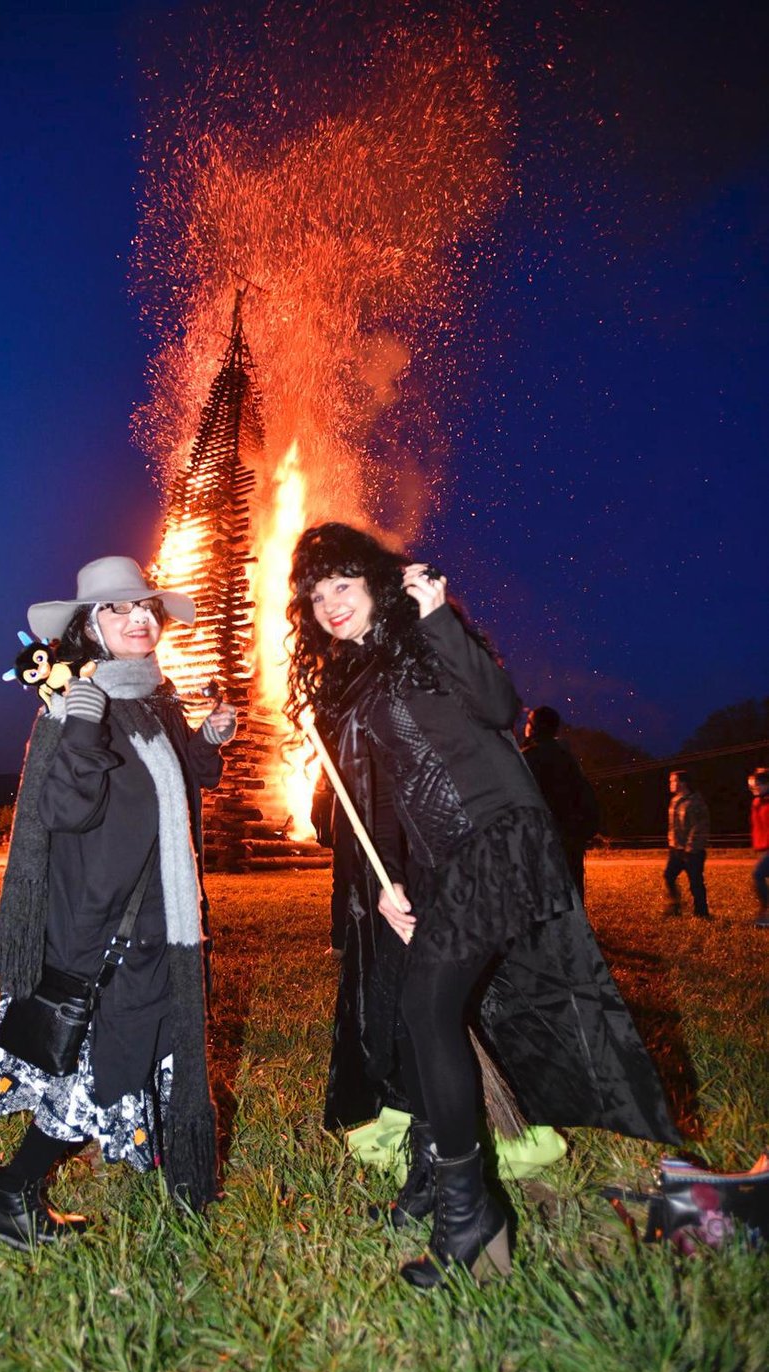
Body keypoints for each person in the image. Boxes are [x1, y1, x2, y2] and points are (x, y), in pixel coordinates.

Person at [286, 523, 678, 1290]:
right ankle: (433, 1183)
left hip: (498, 841)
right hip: (439, 864)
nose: (331, 603)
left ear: (376, 582)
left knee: (430, 1010)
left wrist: (439, 614)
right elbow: (383, 801)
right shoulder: (357, 675)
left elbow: (500, 705)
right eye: (316, 594)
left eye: (344, 585)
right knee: (416, 1011)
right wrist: (389, 885)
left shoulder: (425, 638)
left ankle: (471, 1218)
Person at [0, 556, 237, 1250]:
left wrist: (208, 738)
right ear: (90, 627)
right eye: (118, 610)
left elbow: (177, 785)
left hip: (153, 917)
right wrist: (84, 729)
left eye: (145, 607)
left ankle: (22, 1198)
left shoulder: (155, 702)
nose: (138, 618)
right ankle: (12, 1195)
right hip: (106, 924)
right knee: (104, 1066)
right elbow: (64, 809)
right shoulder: (76, 706)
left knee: (120, 1058)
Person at [520, 706, 599, 901]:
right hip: (569, 844)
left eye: (529, 722)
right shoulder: (568, 759)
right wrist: (580, 835)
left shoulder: (527, 759)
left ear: (535, 728)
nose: (525, 727)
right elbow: (589, 802)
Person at [664, 770, 710, 919]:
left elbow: (700, 826)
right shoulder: (674, 801)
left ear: (683, 783)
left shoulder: (696, 802)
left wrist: (690, 847)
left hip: (692, 851)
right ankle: (675, 905)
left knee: (695, 882)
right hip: (676, 849)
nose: (670, 784)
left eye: (673, 781)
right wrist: (672, 842)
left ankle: (701, 912)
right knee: (669, 876)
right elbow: (673, 825)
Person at [748, 767, 769, 929]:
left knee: (758, 874)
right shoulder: (757, 802)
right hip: (763, 848)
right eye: (751, 786)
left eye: (757, 785)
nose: (754, 788)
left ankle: (766, 911)